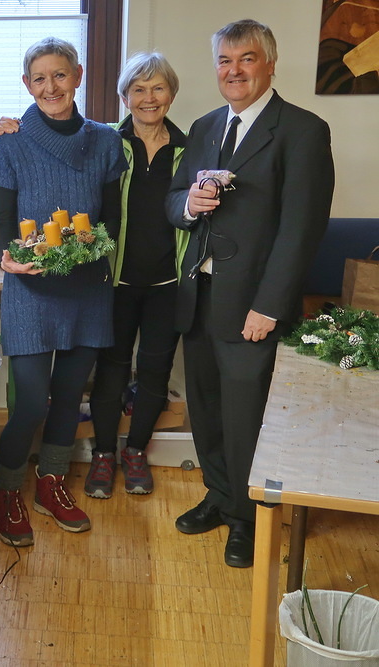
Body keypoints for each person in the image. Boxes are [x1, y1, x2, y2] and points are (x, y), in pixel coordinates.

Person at [166, 19, 334, 568]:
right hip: (199, 295)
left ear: (270, 64)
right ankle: (219, 495)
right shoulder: (205, 125)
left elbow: (301, 229)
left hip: (252, 306)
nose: (233, 71)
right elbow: (174, 198)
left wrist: (269, 305)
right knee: (206, 409)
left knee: (246, 418)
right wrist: (188, 204)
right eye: (225, 60)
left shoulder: (303, 130)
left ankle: (247, 517)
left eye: (246, 59)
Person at [0, 37, 126, 546]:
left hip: (87, 288)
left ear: (79, 76)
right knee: (29, 403)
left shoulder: (105, 142)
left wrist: (96, 252)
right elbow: (3, 224)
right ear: (27, 85)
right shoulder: (11, 143)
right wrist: (6, 256)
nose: (51, 86)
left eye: (60, 75)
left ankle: (51, 484)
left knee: (68, 396)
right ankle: (6, 491)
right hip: (30, 291)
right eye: (40, 78)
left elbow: (112, 217)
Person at [83, 52, 189, 500]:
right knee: (110, 372)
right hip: (116, 283)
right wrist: (12, 128)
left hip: (168, 284)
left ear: (171, 94)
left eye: (158, 87)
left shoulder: (190, 148)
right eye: (138, 89)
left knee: (154, 373)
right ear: (125, 97)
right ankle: (104, 454)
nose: (149, 97)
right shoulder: (105, 141)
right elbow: (57, 141)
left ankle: (136, 451)